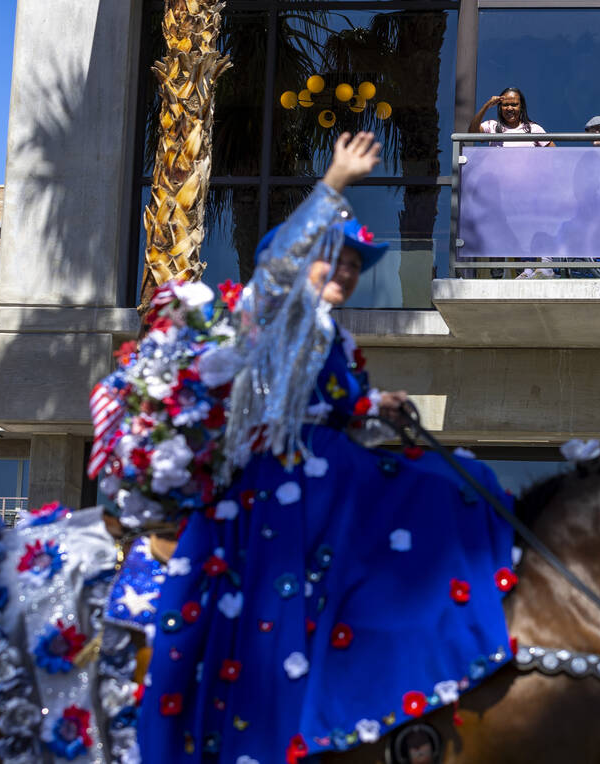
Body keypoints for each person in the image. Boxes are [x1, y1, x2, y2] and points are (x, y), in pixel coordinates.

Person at [137, 132, 517, 762]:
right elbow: (278, 263)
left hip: (327, 470)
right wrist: (334, 181)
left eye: (351, 263)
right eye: (332, 257)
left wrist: (376, 404)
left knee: (461, 478)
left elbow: (338, 405)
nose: (344, 271)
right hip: (283, 481)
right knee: (441, 487)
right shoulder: (277, 309)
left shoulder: (332, 336)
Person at [469, 87, 554, 147]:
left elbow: (554, 154)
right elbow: (472, 134)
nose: (509, 108)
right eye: (505, 105)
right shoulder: (492, 126)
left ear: (521, 107)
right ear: (500, 108)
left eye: (514, 104)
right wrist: (487, 106)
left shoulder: (533, 129)